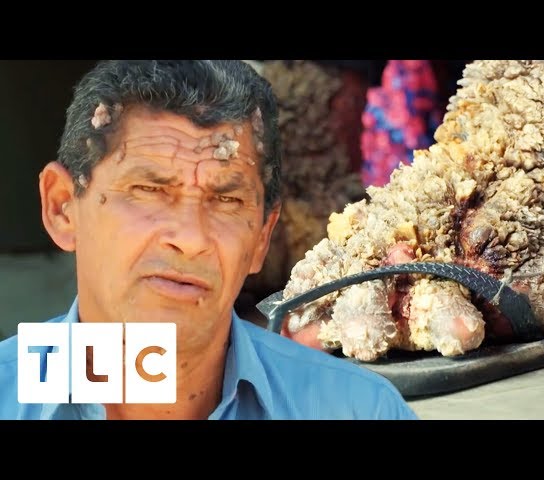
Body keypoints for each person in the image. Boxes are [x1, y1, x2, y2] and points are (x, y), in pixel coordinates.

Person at [0, 60, 418, 420]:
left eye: (227, 200)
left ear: (261, 237)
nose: (190, 238)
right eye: (149, 190)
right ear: (62, 208)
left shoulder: (357, 408)